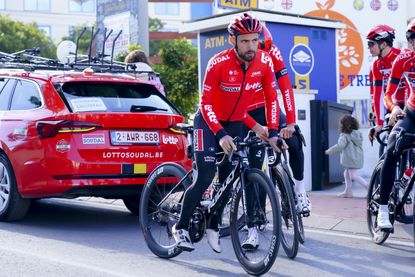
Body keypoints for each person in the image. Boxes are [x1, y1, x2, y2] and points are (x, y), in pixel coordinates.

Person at [172, 12, 284, 253]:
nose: (251, 46)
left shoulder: (264, 63)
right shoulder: (218, 63)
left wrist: (271, 131)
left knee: (229, 178)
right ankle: (180, 226)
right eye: (245, 41)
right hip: (208, 122)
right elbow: (207, 104)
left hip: (236, 123)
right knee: (206, 175)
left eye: (254, 40)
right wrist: (221, 134)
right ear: (232, 40)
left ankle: (213, 225)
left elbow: (271, 100)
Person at [240, 25, 310, 249]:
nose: (257, 53)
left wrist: (290, 122)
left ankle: (299, 191)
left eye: (261, 48)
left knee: (295, 140)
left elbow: (285, 88)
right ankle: (251, 228)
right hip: (246, 114)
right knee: (251, 169)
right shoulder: (239, 56)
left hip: (268, 108)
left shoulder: (273, 52)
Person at [376, 19, 415, 230]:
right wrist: (393, 109)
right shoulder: (404, 59)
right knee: (392, 148)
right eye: (411, 40)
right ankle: (383, 210)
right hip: (410, 113)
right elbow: (388, 93)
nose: (412, 44)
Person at [366, 25, 409, 152]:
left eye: (371, 44)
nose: (369, 48)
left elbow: (409, 86)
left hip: (408, 102)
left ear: (383, 44)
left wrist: (406, 110)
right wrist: (379, 124)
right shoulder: (376, 64)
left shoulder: (402, 55)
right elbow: (378, 93)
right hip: (392, 104)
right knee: (390, 143)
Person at [325, 115, 368, 197]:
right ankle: (348, 191)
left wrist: (329, 151)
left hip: (350, 158)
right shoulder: (357, 134)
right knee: (346, 174)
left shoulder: (344, 135)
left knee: (353, 175)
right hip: (357, 158)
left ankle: (368, 187)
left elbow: (340, 146)